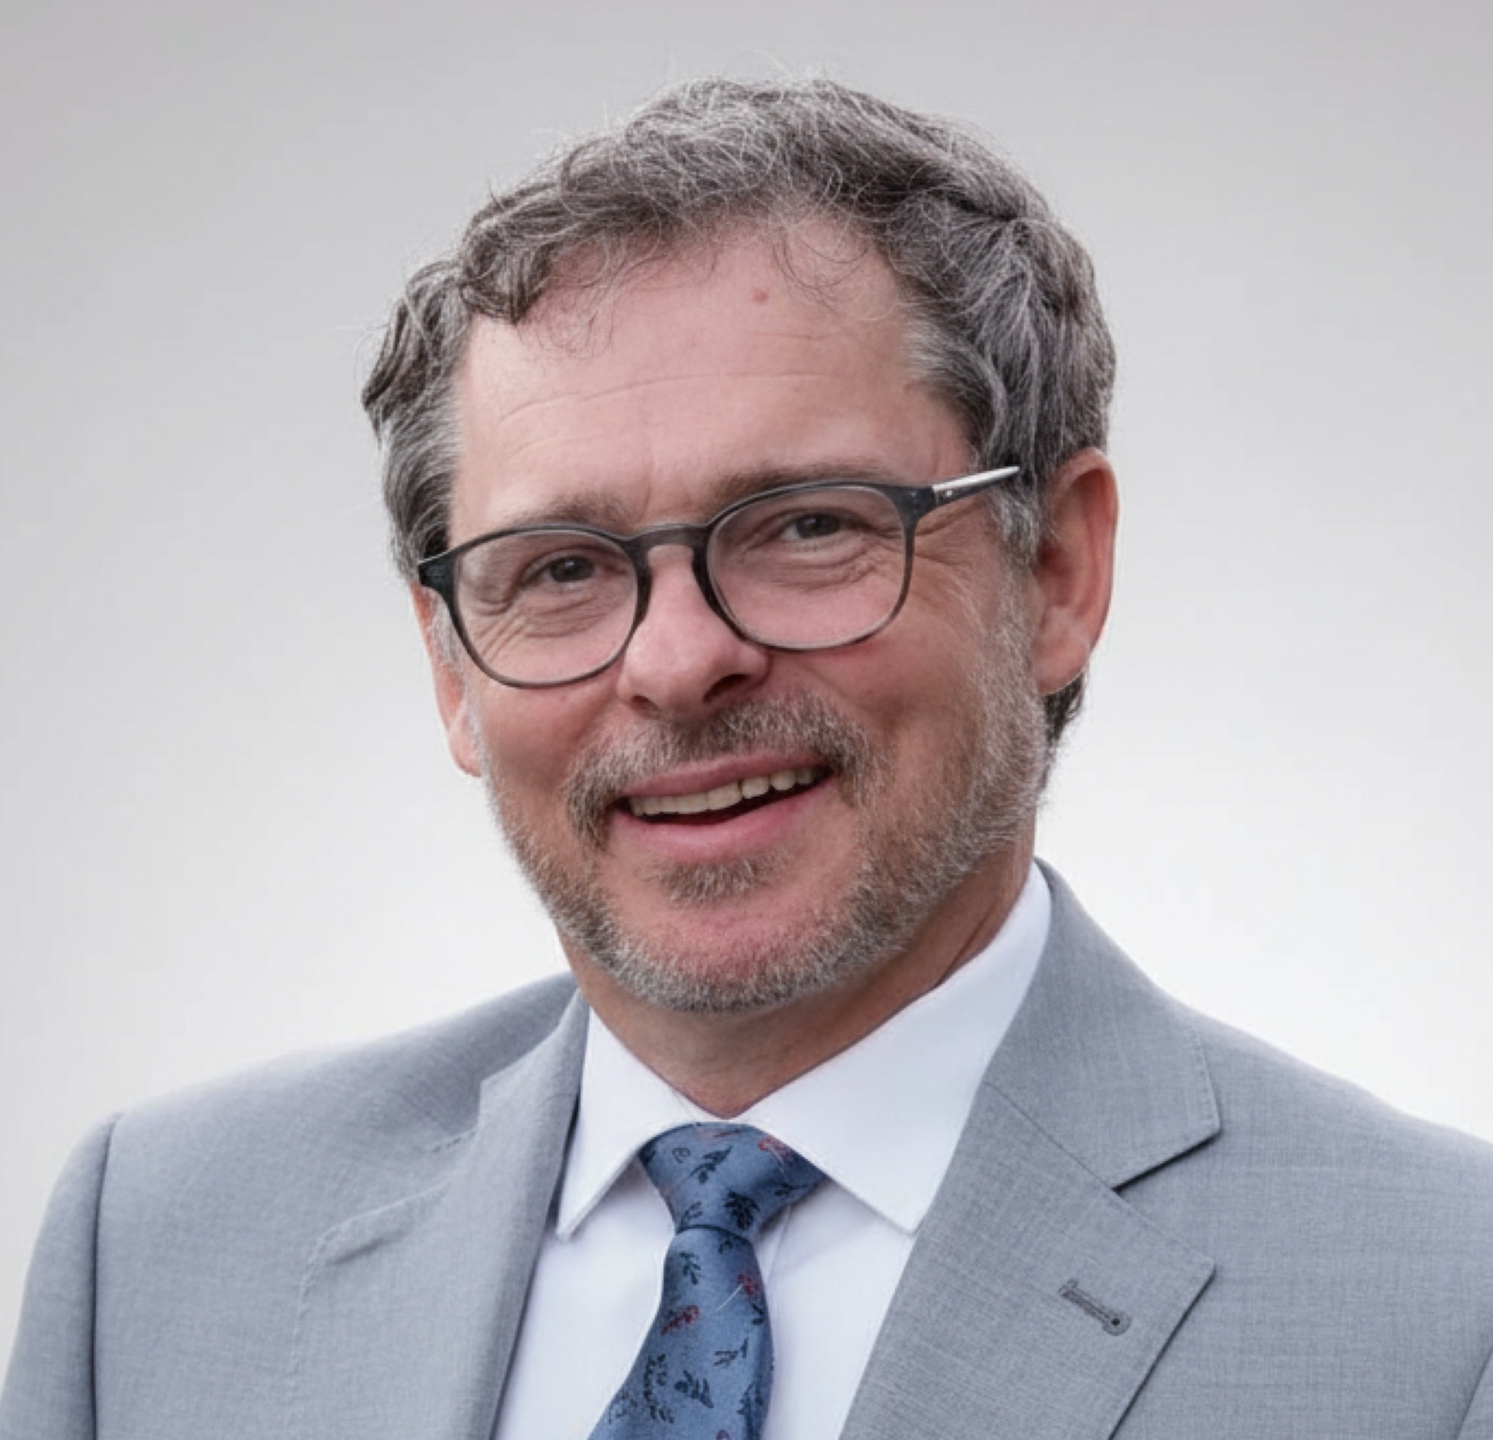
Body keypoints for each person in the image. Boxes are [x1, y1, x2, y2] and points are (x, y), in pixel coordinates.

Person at [4, 76, 1492, 1440]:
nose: (674, 662)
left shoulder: (1443, 1324)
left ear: (1056, 573)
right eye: (561, 568)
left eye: (806, 527)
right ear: (450, 666)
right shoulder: (158, 1253)